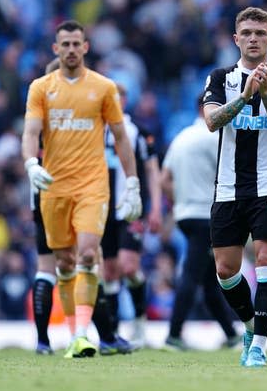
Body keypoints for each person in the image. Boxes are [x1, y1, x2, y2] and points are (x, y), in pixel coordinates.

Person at [22, 20, 142, 359]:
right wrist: (31, 163)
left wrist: (132, 183)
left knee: (89, 254)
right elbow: (30, 132)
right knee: (62, 263)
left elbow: (121, 137)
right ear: (55, 49)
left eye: (77, 43)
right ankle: (76, 334)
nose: (72, 49)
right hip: (54, 186)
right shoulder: (40, 88)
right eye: (66, 44)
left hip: (92, 185)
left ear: (86, 47)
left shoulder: (103, 88)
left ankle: (80, 335)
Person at [202, 6, 267, 367]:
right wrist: (245, 95)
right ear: (236, 38)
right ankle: (249, 325)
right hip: (227, 186)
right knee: (226, 270)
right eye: (247, 33)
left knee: (264, 260)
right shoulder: (218, 78)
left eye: (260, 33)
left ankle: (258, 346)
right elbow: (212, 122)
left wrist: (265, 93)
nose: (254, 39)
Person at [160, 93, 240, 351]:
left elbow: (164, 179)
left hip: (185, 215)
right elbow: (231, 175)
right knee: (193, 275)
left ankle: (230, 334)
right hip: (207, 215)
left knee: (207, 279)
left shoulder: (181, 138)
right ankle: (173, 335)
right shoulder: (215, 136)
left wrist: (180, 202)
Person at [101, 82, 162, 350]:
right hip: (101, 209)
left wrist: (156, 207)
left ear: (124, 101)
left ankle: (138, 322)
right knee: (109, 271)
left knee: (128, 267)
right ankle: (113, 331)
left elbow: (151, 170)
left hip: (131, 208)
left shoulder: (137, 130)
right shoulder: (94, 129)